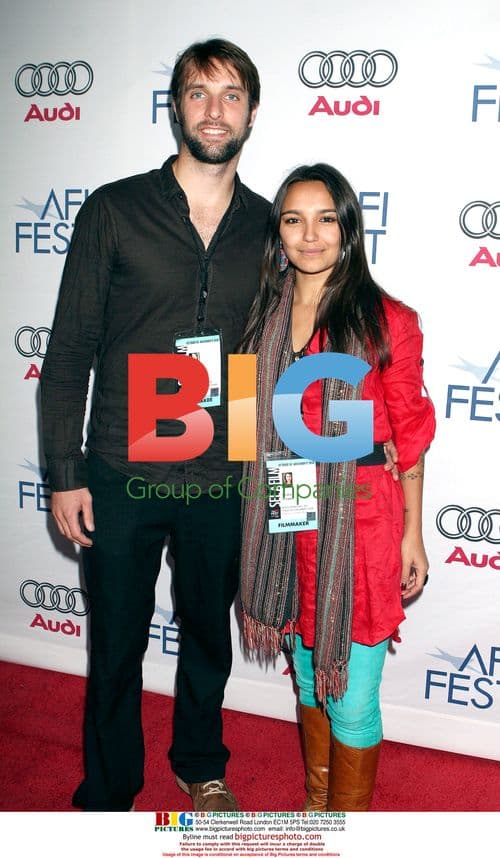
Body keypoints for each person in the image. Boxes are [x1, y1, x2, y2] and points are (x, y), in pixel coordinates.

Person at [40, 38, 271, 812]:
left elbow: (278, 353)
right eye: (199, 93)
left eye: (231, 94)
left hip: (221, 469)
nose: (215, 110)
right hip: (118, 466)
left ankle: (200, 764)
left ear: (252, 111)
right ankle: (109, 787)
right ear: (175, 105)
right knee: (115, 642)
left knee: (208, 634)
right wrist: (64, 474)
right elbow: (70, 349)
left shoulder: (271, 226)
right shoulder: (115, 208)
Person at [239, 164, 436, 812]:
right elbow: (248, 426)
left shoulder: (388, 320)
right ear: (280, 233)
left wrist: (414, 530)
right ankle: (317, 804)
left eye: (326, 218)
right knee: (305, 668)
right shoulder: (262, 317)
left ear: (349, 228)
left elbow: (409, 434)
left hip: (364, 516)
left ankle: (346, 829)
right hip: (290, 501)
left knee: (348, 689)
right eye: (294, 219)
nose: (311, 234)